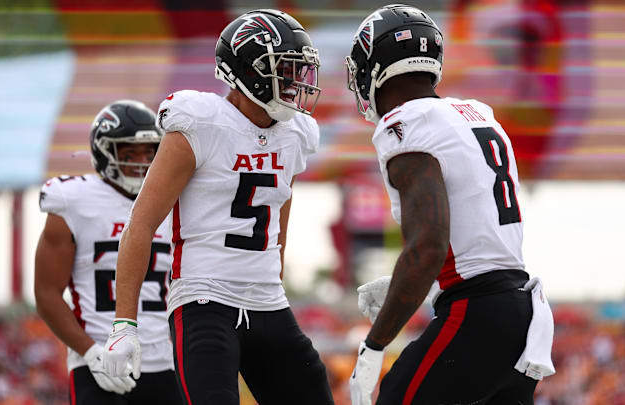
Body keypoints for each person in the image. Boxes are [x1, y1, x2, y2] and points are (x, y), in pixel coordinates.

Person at [101, 9, 335, 405]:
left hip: (267, 299)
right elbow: (140, 223)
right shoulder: (200, 123)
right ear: (249, 72)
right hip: (204, 298)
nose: (295, 83)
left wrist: (272, 279)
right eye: (285, 70)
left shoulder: (295, 134)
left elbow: (279, 214)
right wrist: (125, 322)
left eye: (298, 71)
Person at [344, 5, 555, 405]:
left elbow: (428, 246)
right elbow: (474, 237)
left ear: (376, 65)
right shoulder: (479, 114)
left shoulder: (405, 123)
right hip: (523, 312)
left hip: (477, 315)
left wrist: (374, 344)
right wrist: (412, 286)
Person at [35, 100, 182, 405]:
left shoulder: (176, 199)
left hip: (165, 360)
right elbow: (47, 292)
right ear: (103, 152)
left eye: (149, 151)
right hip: (99, 358)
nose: (142, 161)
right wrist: (90, 352)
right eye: (129, 152)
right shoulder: (72, 199)